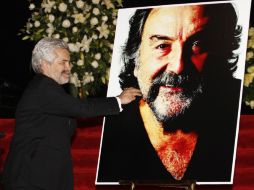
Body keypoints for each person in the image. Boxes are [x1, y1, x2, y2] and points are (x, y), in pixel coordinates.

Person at [97, 2, 242, 183]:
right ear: (135, 58)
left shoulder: (236, 118)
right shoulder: (109, 131)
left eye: (197, 44)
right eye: (162, 46)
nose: (178, 66)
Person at [2, 38, 141, 190]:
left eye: (69, 62)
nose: (68, 67)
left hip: (44, 177)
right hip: (30, 178)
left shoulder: (48, 89)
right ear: (44, 64)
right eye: (62, 62)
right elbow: (81, 109)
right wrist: (118, 100)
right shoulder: (43, 87)